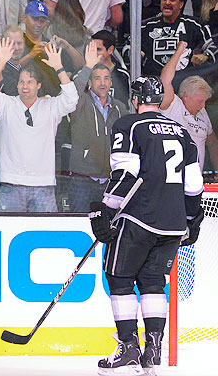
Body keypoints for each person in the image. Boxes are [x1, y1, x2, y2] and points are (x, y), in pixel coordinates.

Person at [89, 75, 204, 375]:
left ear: (136, 99)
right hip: (173, 224)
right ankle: (152, 350)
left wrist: (106, 209)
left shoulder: (128, 125)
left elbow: (126, 173)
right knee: (153, 282)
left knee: (119, 277)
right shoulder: (182, 131)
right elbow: (194, 185)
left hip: (138, 218)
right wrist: (192, 220)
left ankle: (128, 346)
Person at [0, 38, 78, 212]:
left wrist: (59, 67)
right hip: (11, 185)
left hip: (43, 186)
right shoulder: (7, 104)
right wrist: (1, 61)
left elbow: (72, 99)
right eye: (21, 82)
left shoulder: (50, 106)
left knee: (46, 231)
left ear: (39, 85)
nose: (25, 86)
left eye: (30, 82)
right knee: (5, 228)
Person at [68, 42, 128, 212]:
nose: (102, 83)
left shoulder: (119, 107)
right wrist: (88, 66)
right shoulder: (81, 102)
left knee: (108, 224)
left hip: (109, 180)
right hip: (82, 179)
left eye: (106, 78)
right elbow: (73, 92)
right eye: (97, 78)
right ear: (90, 82)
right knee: (80, 223)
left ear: (111, 82)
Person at [160, 41, 218, 171]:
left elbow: (213, 143)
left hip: (195, 180)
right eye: (200, 101)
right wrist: (179, 50)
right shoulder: (173, 105)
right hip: (172, 178)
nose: (203, 105)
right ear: (186, 96)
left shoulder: (202, 113)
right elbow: (165, 81)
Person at [140, 0, 217, 76]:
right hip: (152, 79)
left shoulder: (195, 25)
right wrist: (135, 53)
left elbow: (214, 46)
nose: (167, 2)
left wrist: (205, 55)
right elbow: (128, 47)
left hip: (185, 80)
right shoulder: (146, 26)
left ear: (181, 4)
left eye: (172, 0)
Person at [90, 30, 130, 106]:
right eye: (92, 49)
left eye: (98, 49)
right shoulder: (85, 73)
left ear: (110, 50)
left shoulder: (123, 76)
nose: (94, 53)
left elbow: (126, 106)